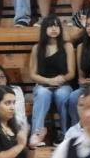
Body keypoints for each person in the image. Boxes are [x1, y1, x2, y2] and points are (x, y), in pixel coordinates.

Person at [27, 15, 76, 147]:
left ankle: (66, 134)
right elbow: (33, 74)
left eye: (56, 26)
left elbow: (71, 73)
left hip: (63, 84)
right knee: (42, 94)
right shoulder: (37, 48)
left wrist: (60, 79)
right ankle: (37, 133)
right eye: (50, 26)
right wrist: (49, 81)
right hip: (43, 84)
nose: (54, 29)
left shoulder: (67, 46)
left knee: (62, 95)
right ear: (44, 29)